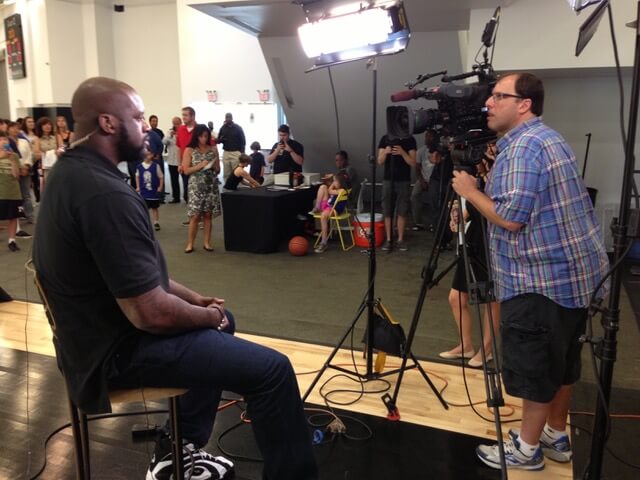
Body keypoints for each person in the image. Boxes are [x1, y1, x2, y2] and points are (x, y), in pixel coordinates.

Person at [32, 77, 318, 480]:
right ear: (109, 123)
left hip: (96, 336)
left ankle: (179, 443)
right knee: (273, 372)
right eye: (136, 117)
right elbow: (148, 312)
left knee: (224, 319)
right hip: (113, 354)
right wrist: (207, 318)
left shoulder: (70, 171)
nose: (147, 127)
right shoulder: (102, 193)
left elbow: (142, 278)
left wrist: (197, 301)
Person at [451, 72, 609, 471]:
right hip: (573, 278)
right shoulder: (546, 138)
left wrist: (470, 192)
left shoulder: (522, 148)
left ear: (524, 104)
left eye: (499, 96)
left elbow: (510, 217)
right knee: (561, 361)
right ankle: (556, 434)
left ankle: (526, 448)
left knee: (536, 367)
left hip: (540, 280)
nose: (488, 103)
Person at [439, 144, 500, 368]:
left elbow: (494, 208)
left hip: (490, 241)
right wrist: (460, 218)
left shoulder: (500, 173)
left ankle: (487, 349)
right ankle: (466, 345)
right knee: (456, 297)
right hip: (473, 241)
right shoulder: (481, 175)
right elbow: (476, 205)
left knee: (490, 300)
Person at [182, 124, 221, 253]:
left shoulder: (212, 149)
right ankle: (190, 244)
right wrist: (200, 165)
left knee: (208, 215)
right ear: (196, 136)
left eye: (206, 136)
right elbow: (186, 170)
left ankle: (207, 243)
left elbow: (218, 169)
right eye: (201, 136)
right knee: (195, 215)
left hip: (210, 185)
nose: (204, 139)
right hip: (196, 186)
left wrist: (215, 166)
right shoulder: (189, 150)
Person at [376, 134, 417, 252]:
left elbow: (413, 162)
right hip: (388, 179)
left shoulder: (409, 139)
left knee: (402, 210)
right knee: (387, 210)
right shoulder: (385, 138)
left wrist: (402, 152)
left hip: (403, 180)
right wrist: (386, 152)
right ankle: (389, 239)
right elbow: (379, 161)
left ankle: (400, 239)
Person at [312, 173, 348, 254]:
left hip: (334, 209)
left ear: (340, 183)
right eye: (333, 181)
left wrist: (331, 184)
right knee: (322, 187)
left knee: (323, 216)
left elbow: (330, 191)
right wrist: (332, 182)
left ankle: (324, 242)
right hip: (329, 206)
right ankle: (317, 207)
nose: (333, 183)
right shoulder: (337, 189)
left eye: (335, 181)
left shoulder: (342, 190)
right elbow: (329, 191)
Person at [0, 132, 23, 252]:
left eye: (6, 140)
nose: (4, 142)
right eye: (1, 140)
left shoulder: (13, 155)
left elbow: (16, 176)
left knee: (13, 217)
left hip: (13, 192)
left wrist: (11, 159)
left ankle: (12, 241)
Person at [410, 130, 437, 231]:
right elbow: (417, 168)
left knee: (434, 199)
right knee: (414, 195)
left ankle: (433, 223)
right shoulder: (421, 151)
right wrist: (421, 181)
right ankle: (418, 222)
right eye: (426, 136)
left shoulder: (438, 151)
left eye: (430, 137)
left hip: (435, 180)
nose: (427, 139)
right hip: (423, 178)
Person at [136, 147, 164, 231]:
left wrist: (160, 186)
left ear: (152, 155)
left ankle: (156, 222)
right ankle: (145, 223)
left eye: (149, 154)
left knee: (155, 208)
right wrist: (138, 186)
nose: (147, 156)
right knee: (144, 209)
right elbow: (137, 176)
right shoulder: (139, 166)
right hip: (144, 192)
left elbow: (161, 177)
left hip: (153, 192)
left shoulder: (156, 166)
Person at [176, 106, 197, 203]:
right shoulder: (180, 129)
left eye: (185, 115)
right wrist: (179, 164)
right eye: (182, 115)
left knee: (197, 193)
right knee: (187, 195)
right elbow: (179, 148)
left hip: (197, 166)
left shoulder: (200, 129)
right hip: (185, 166)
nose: (183, 117)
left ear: (192, 116)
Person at [217, 113, 246, 181]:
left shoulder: (238, 128)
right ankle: (227, 188)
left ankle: (237, 188)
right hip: (226, 152)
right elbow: (218, 140)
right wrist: (221, 140)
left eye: (229, 117)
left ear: (232, 118)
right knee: (226, 173)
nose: (228, 119)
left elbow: (243, 141)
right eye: (226, 117)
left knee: (236, 172)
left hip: (235, 152)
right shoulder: (223, 128)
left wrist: (242, 153)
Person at [163, 116, 182, 203]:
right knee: (174, 180)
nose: (175, 125)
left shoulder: (183, 131)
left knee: (186, 180)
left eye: (177, 123)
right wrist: (170, 136)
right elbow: (163, 142)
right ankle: (176, 197)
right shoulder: (170, 132)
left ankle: (187, 196)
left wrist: (178, 135)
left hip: (182, 160)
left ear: (180, 123)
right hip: (171, 160)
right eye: (174, 123)